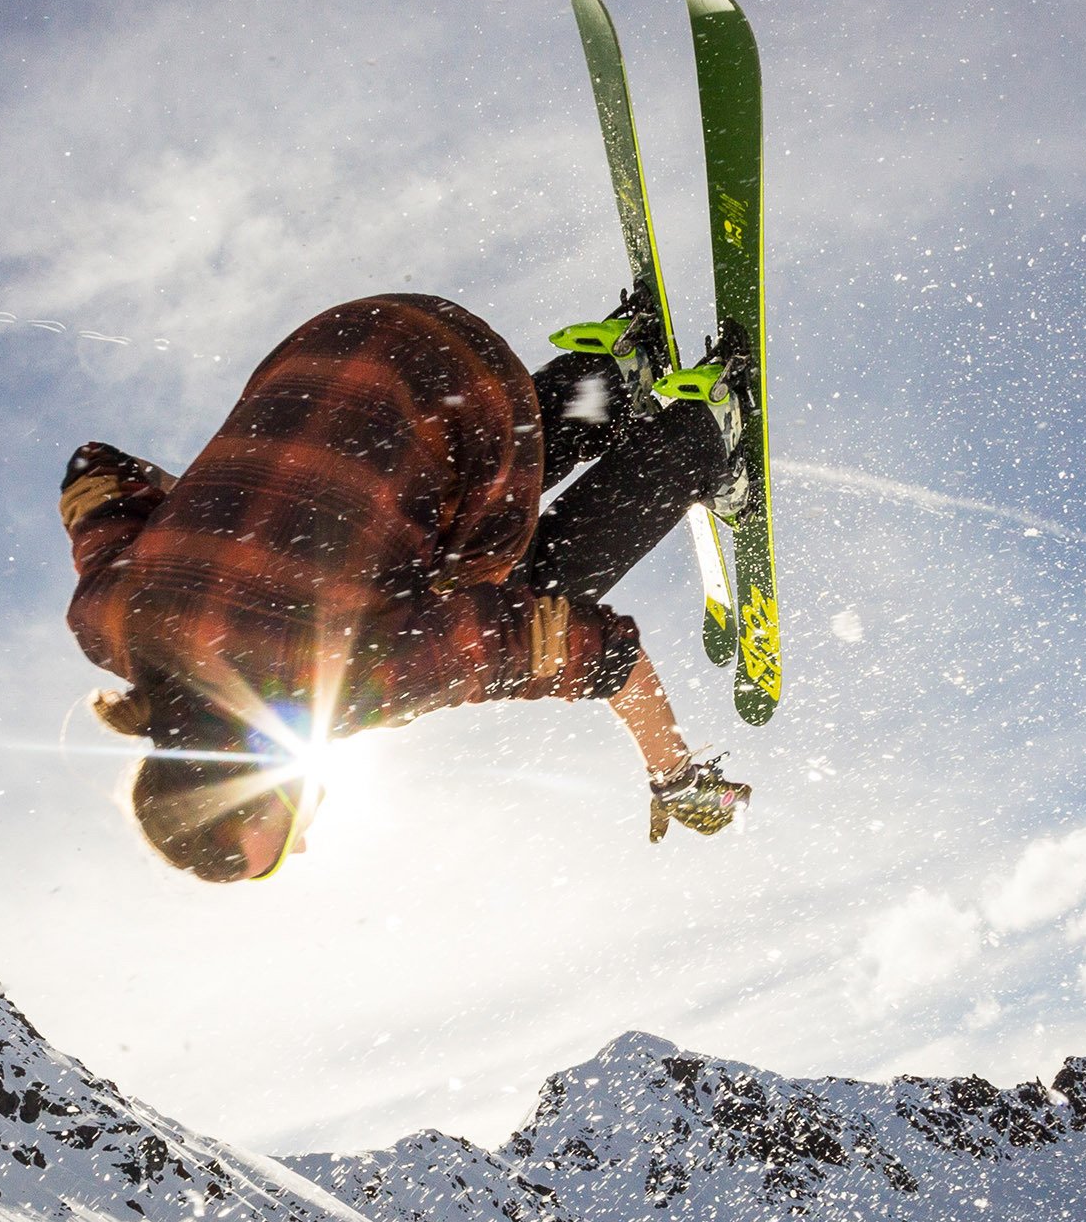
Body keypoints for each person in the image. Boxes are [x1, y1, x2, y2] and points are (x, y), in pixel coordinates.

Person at [59, 292, 753, 882]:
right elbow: (92, 470)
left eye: (273, 855)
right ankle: (611, 376)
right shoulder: (108, 622)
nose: (302, 847)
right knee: (414, 524)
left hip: (476, 381)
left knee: (522, 589)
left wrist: (675, 776)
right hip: (350, 337)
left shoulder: (347, 681)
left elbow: (591, 650)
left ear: (240, 786)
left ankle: (698, 437)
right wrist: (242, 526)